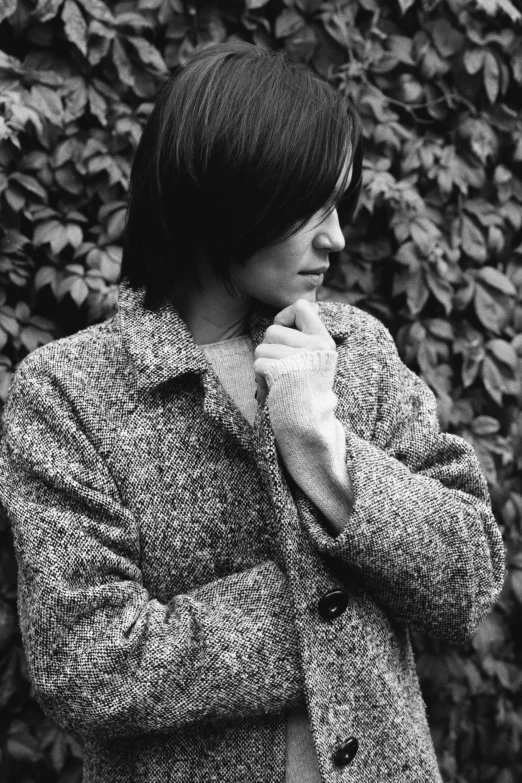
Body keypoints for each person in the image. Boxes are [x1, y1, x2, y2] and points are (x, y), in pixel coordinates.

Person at [0, 40, 505, 783]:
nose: (336, 235)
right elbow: (88, 665)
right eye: (314, 204)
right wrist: (328, 600)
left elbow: (470, 578)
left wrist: (325, 449)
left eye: (342, 203)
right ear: (231, 191)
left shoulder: (355, 348)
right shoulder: (70, 392)